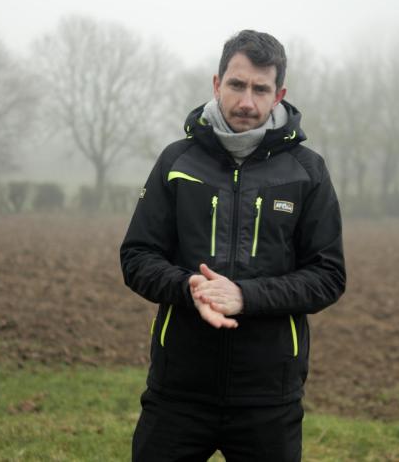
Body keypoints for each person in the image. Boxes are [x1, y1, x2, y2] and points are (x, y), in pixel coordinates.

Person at [120, 29, 346, 462]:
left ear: (279, 95)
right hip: (178, 391)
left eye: (261, 89)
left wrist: (246, 296)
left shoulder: (308, 171)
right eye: (237, 85)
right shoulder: (176, 162)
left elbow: (328, 276)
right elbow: (136, 256)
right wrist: (188, 287)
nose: (247, 101)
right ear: (216, 83)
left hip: (269, 396)